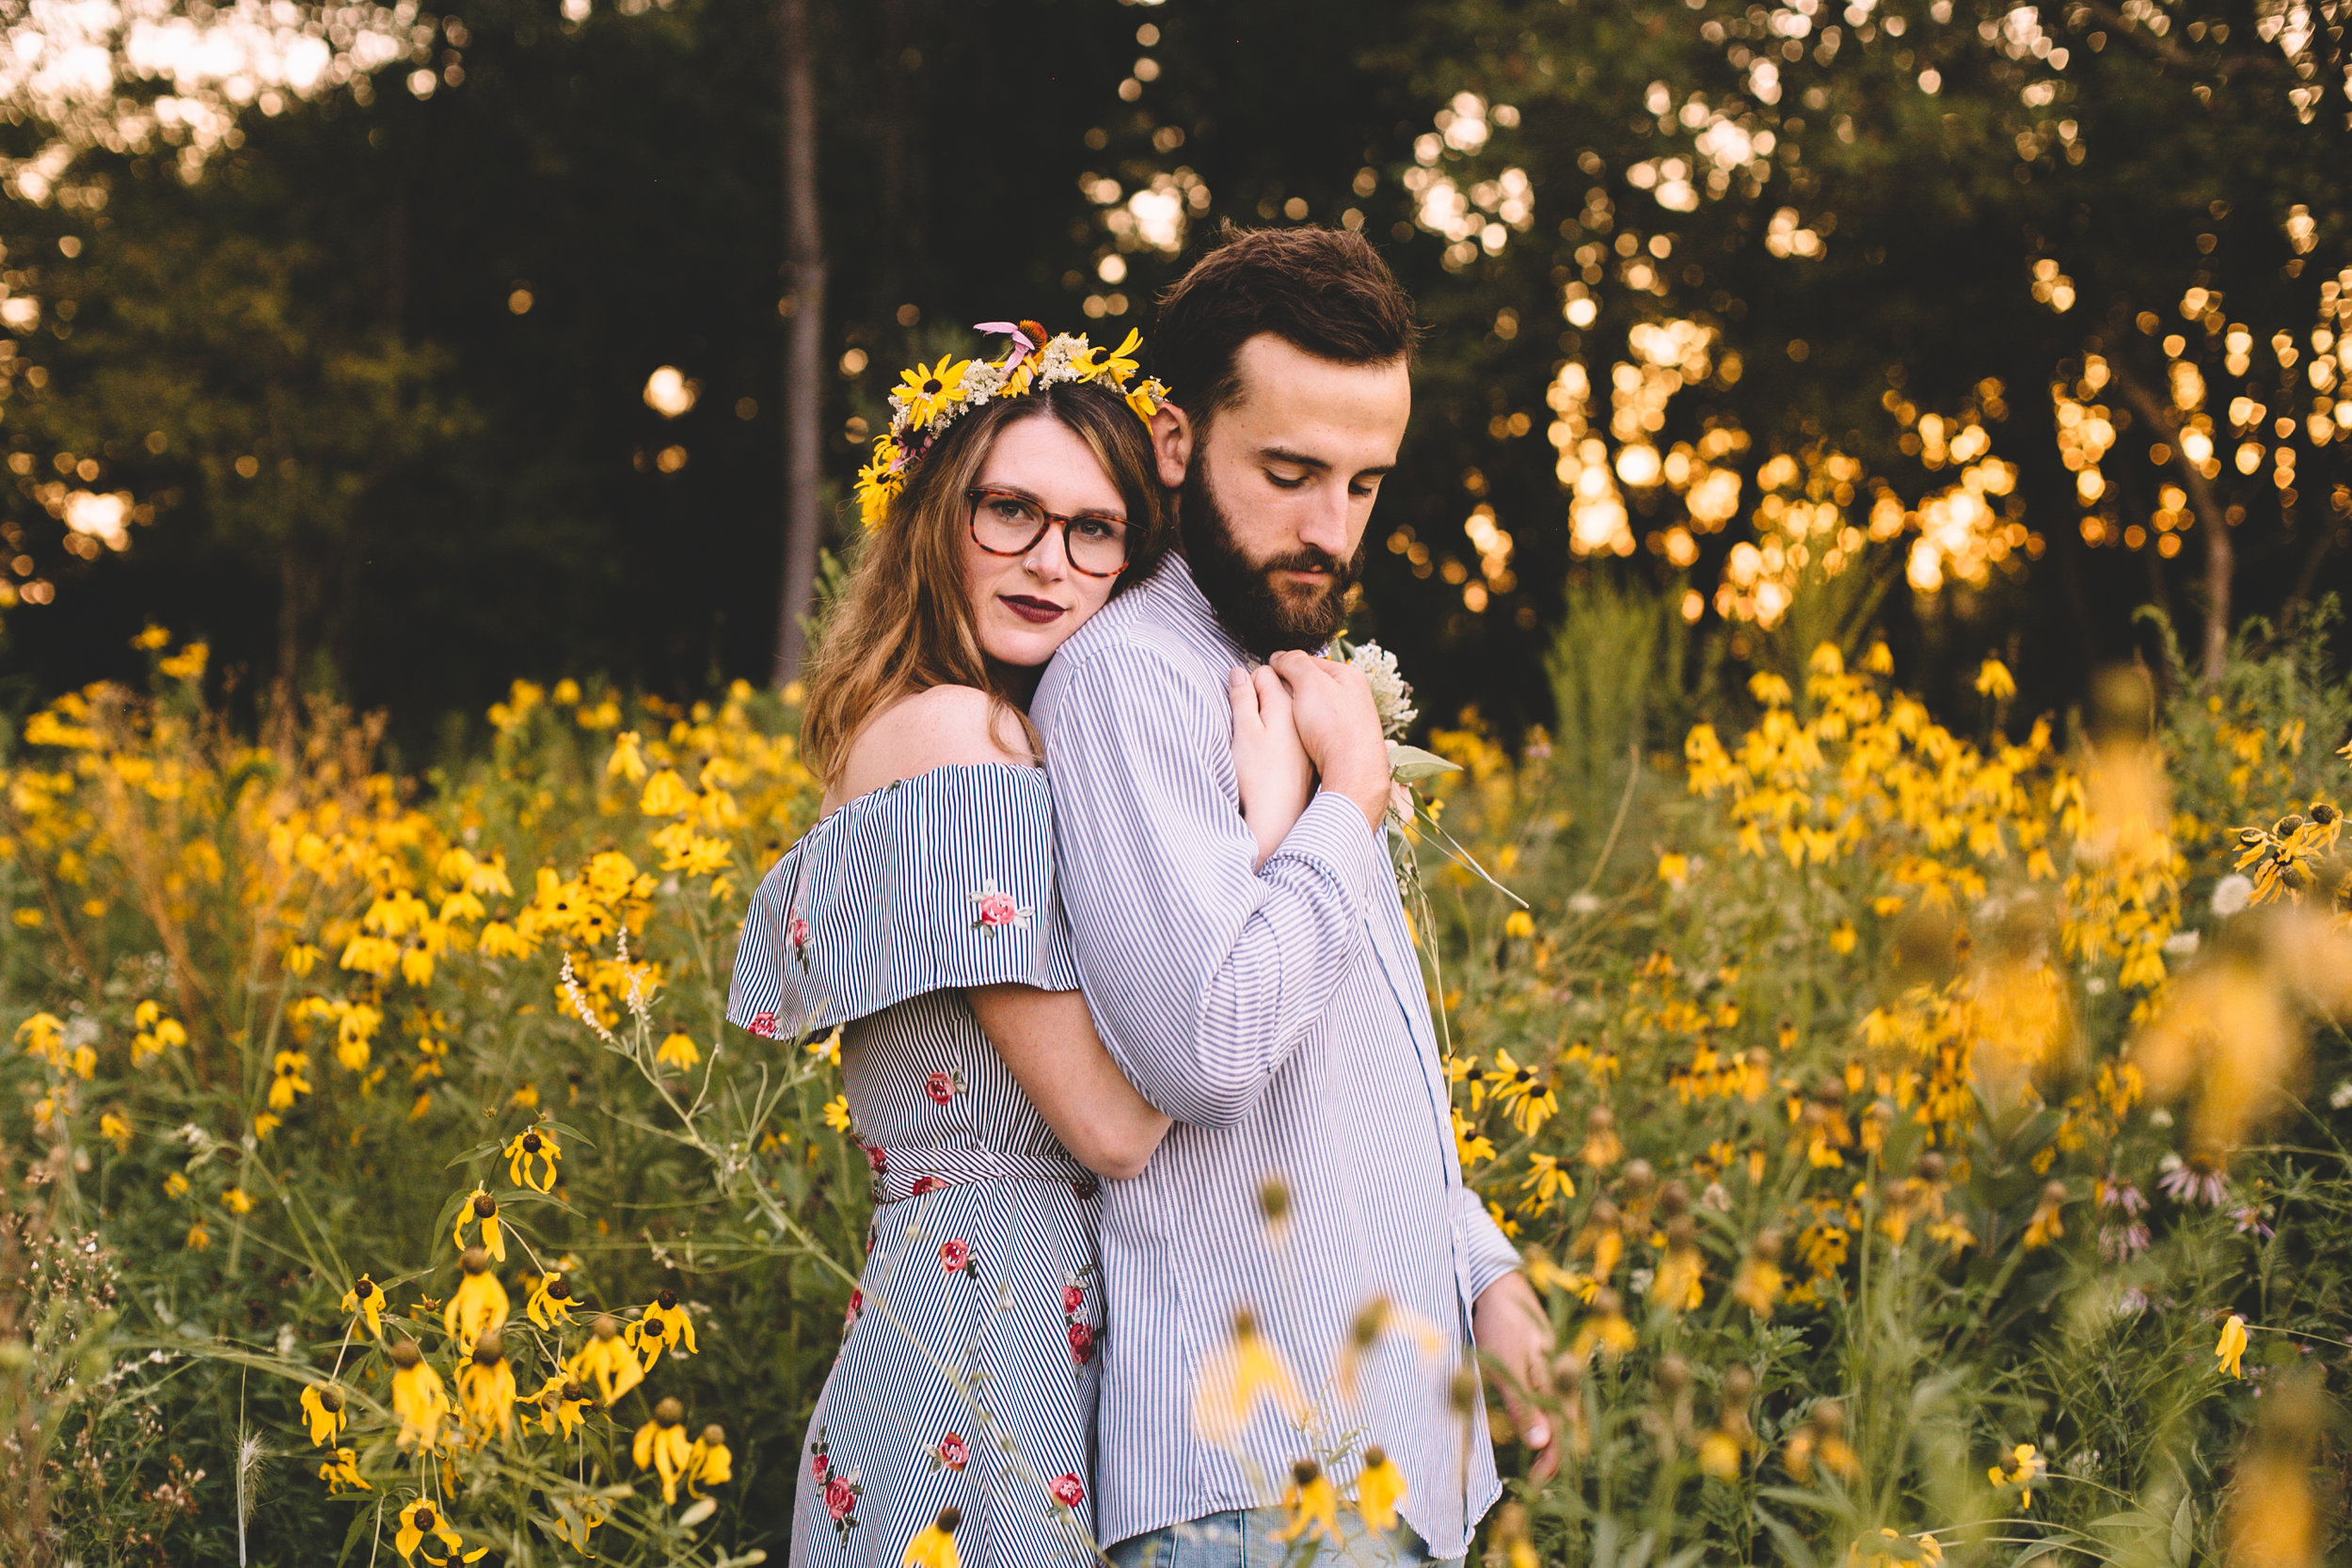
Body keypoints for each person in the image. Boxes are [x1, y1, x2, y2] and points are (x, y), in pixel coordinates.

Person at [728, 321, 1314, 1568]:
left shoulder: (980, 731)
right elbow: (1113, 1125)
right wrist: (1271, 828)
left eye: (1093, 529)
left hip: (1001, 1333)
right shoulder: (955, 734)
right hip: (981, 1351)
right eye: (1009, 511)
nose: (1049, 560)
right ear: (941, 517)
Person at [1031, 226, 1560, 1568]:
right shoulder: (1131, 681)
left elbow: (1347, 1068)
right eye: (1288, 473)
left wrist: (1482, 1270)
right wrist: (1348, 806)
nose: (1330, 529)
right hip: (1256, 1481)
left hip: (1384, 1459)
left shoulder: (1286, 681)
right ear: (1170, 440)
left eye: (1365, 484)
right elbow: (1203, 1049)